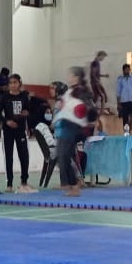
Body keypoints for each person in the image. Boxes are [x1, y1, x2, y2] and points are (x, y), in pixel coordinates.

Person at [53, 67, 97, 197]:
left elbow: (90, 109)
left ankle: (75, 185)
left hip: (73, 127)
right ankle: (72, 183)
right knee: (61, 156)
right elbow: (64, 108)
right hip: (65, 126)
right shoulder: (69, 92)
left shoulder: (80, 92)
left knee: (63, 155)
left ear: (77, 77)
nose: (68, 77)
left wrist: (90, 121)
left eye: (70, 75)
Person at [0, 74, 36, 193]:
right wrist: (7, 121)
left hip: (20, 130)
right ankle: (9, 183)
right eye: (10, 83)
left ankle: (24, 181)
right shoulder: (5, 97)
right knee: (8, 157)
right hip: (8, 130)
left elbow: (29, 111)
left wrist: (27, 114)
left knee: (24, 156)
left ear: (19, 83)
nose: (13, 85)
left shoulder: (24, 97)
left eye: (15, 82)